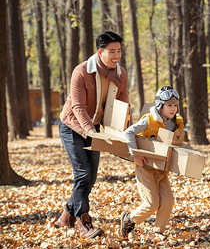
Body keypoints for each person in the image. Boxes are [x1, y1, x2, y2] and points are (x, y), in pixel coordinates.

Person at [54, 31, 129, 239]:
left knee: (91, 178)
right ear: (100, 52)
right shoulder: (81, 71)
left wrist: (127, 132)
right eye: (112, 51)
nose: (116, 56)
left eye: (119, 51)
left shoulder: (120, 74)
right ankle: (83, 222)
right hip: (72, 126)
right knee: (82, 174)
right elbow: (78, 107)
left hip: (94, 129)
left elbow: (123, 106)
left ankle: (65, 216)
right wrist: (90, 132)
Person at [120, 86, 184, 238]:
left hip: (162, 169)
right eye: (169, 105)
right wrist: (135, 154)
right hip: (146, 168)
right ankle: (129, 219)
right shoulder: (149, 120)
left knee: (168, 202)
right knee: (151, 204)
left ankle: (158, 232)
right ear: (160, 105)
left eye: (175, 105)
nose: (173, 108)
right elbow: (128, 133)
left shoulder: (176, 122)